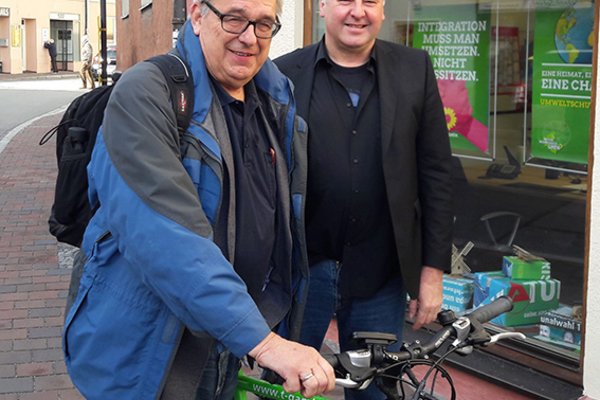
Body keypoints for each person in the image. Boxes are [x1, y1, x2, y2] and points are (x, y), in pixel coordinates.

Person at [62, 0, 335, 399]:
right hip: (148, 349)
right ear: (196, 13)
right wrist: (264, 342)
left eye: (263, 24)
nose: (249, 37)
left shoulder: (274, 99)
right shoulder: (146, 92)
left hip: (226, 338)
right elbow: (165, 236)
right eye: (234, 18)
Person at [275, 0, 453, 398]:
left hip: (380, 272)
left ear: (384, 10)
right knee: (287, 388)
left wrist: (432, 271)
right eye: (345, 1)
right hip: (303, 270)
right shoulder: (284, 74)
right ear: (322, 7)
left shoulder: (414, 69)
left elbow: (437, 174)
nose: (358, 12)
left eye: (369, 1)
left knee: (377, 390)